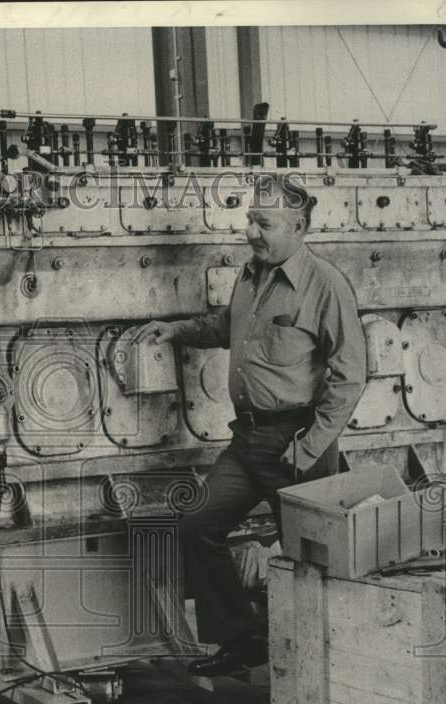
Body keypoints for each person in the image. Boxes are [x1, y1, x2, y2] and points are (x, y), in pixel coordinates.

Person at [139, 173, 367, 677]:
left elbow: (351, 375)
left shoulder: (325, 285)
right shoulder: (252, 275)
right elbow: (227, 328)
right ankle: (242, 638)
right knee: (197, 524)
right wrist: (176, 330)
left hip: (297, 440)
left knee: (313, 558)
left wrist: (310, 446)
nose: (251, 231)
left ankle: (333, 668)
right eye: (249, 220)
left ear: (298, 226)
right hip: (247, 440)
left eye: (263, 222)